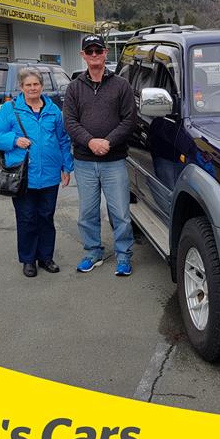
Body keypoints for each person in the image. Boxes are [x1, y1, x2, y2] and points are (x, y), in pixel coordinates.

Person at [0, 67, 73, 277]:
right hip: (23, 176)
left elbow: (63, 140)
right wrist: (14, 140)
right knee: (27, 218)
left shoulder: (53, 111)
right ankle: (28, 260)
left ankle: (46, 258)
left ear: (42, 86)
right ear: (21, 87)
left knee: (46, 217)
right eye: (28, 85)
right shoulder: (10, 109)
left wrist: (66, 167)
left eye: (36, 84)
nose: (32, 88)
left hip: (50, 175)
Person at [64, 35, 137, 276]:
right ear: (82, 55)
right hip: (84, 162)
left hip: (114, 160)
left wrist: (108, 142)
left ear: (106, 53)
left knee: (121, 213)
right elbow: (70, 122)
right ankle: (93, 252)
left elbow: (129, 120)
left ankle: (124, 255)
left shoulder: (121, 85)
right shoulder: (74, 87)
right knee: (87, 213)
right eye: (89, 51)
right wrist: (90, 141)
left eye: (98, 50)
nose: (94, 55)